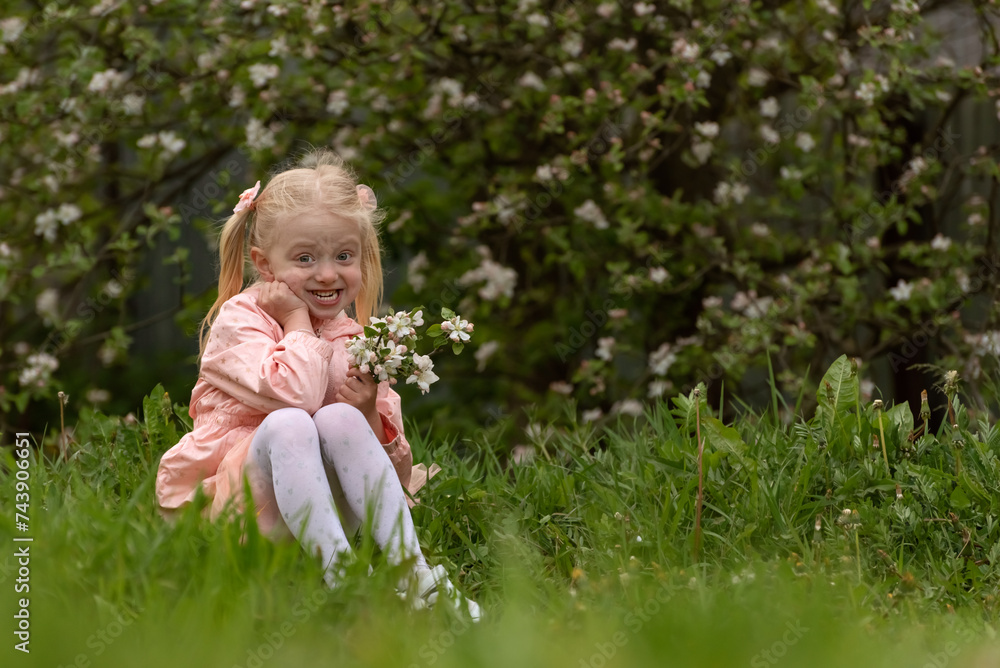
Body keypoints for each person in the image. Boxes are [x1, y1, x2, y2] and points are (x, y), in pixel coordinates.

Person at [155, 149, 480, 620]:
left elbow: (396, 473)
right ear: (265, 264)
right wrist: (295, 322)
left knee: (342, 416)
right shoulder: (240, 321)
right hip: (242, 514)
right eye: (305, 258)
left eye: (343, 256)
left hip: (325, 511)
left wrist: (368, 411)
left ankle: (413, 575)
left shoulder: (355, 338)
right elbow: (297, 394)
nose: (328, 273)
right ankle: (345, 582)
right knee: (291, 421)